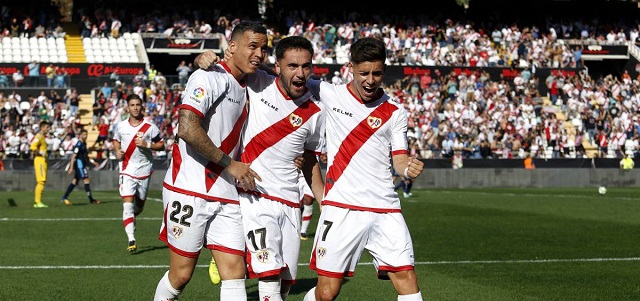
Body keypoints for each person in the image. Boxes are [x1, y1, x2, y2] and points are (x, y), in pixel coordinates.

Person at [196, 35, 325, 301]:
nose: (300, 73)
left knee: (285, 285)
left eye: (306, 66)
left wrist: (324, 200)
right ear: (277, 66)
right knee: (268, 279)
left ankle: (238, 251)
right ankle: (230, 251)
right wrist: (203, 58)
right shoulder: (258, 82)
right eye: (292, 66)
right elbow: (232, 65)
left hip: (290, 202)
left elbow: (310, 158)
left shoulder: (316, 111)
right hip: (255, 197)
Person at [302, 37, 425, 301]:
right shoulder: (329, 93)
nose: (370, 80)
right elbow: (282, 74)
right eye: (364, 73)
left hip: (385, 207)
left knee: (407, 280)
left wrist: (408, 169)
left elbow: (399, 160)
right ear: (351, 68)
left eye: (377, 73)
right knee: (327, 292)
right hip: (343, 207)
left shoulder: (394, 112)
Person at [153, 21, 266, 301]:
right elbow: (188, 129)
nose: (260, 54)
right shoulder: (208, 77)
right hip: (189, 189)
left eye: (264, 48)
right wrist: (231, 164)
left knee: (235, 273)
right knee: (181, 275)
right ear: (232, 47)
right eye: (253, 46)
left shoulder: (254, 84)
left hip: (226, 193)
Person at [112, 94, 165, 253]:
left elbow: (161, 145)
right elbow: (116, 140)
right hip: (127, 170)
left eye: (137, 105)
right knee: (127, 206)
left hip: (144, 170)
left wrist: (146, 144)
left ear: (142, 107)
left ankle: (131, 217)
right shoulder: (121, 126)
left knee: (139, 207)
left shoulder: (150, 126)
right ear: (127, 107)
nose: (135, 108)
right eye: (132, 105)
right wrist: (117, 151)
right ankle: (131, 239)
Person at [60, 129, 101, 205]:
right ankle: (91, 200)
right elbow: (73, 156)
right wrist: (71, 167)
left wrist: (93, 162)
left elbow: (86, 156)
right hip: (80, 166)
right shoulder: (78, 145)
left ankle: (64, 197)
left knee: (75, 182)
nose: (85, 136)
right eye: (84, 135)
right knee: (86, 180)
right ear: (81, 135)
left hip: (82, 165)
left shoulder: (84, 144)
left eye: (86, 135)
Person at [30, 120, 51, 208]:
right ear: (42, 127)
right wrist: (41, 152)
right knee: (41, 181)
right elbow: (32, 147)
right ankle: (37, 202)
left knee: (42, 181)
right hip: (40, 160)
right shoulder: (39, 136)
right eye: (47, 127)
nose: (48, 129)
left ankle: (37, 202)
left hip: (43, 160)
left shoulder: (42, 137)